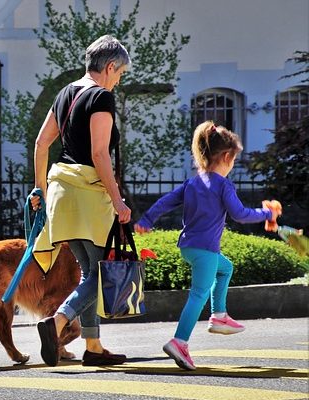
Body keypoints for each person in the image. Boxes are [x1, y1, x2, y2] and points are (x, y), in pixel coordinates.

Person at [134, 121, 280, 371]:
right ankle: (179, 341)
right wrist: (267, 214)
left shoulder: (193, 182)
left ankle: (219, 315)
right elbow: (240, 214)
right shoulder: (223, 185)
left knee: (225, 268)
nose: (232, 164)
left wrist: (147, 219)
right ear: (226, 156)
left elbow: (166, 201)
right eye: (233, 159)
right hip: (205, 251)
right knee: (198, 295)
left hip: (188, 248)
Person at [30, 34, 132, 367]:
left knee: (90, 272)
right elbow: (99, 153)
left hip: (61, 192)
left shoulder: (65, 93)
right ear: (111, 66)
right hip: (89, 194)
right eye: (120, 74)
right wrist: (118, 202)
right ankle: (57, 323)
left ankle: (94, 347)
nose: (118, 81)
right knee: (101, 274)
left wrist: (39, 192)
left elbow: (41, 144)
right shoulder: (101, 97)